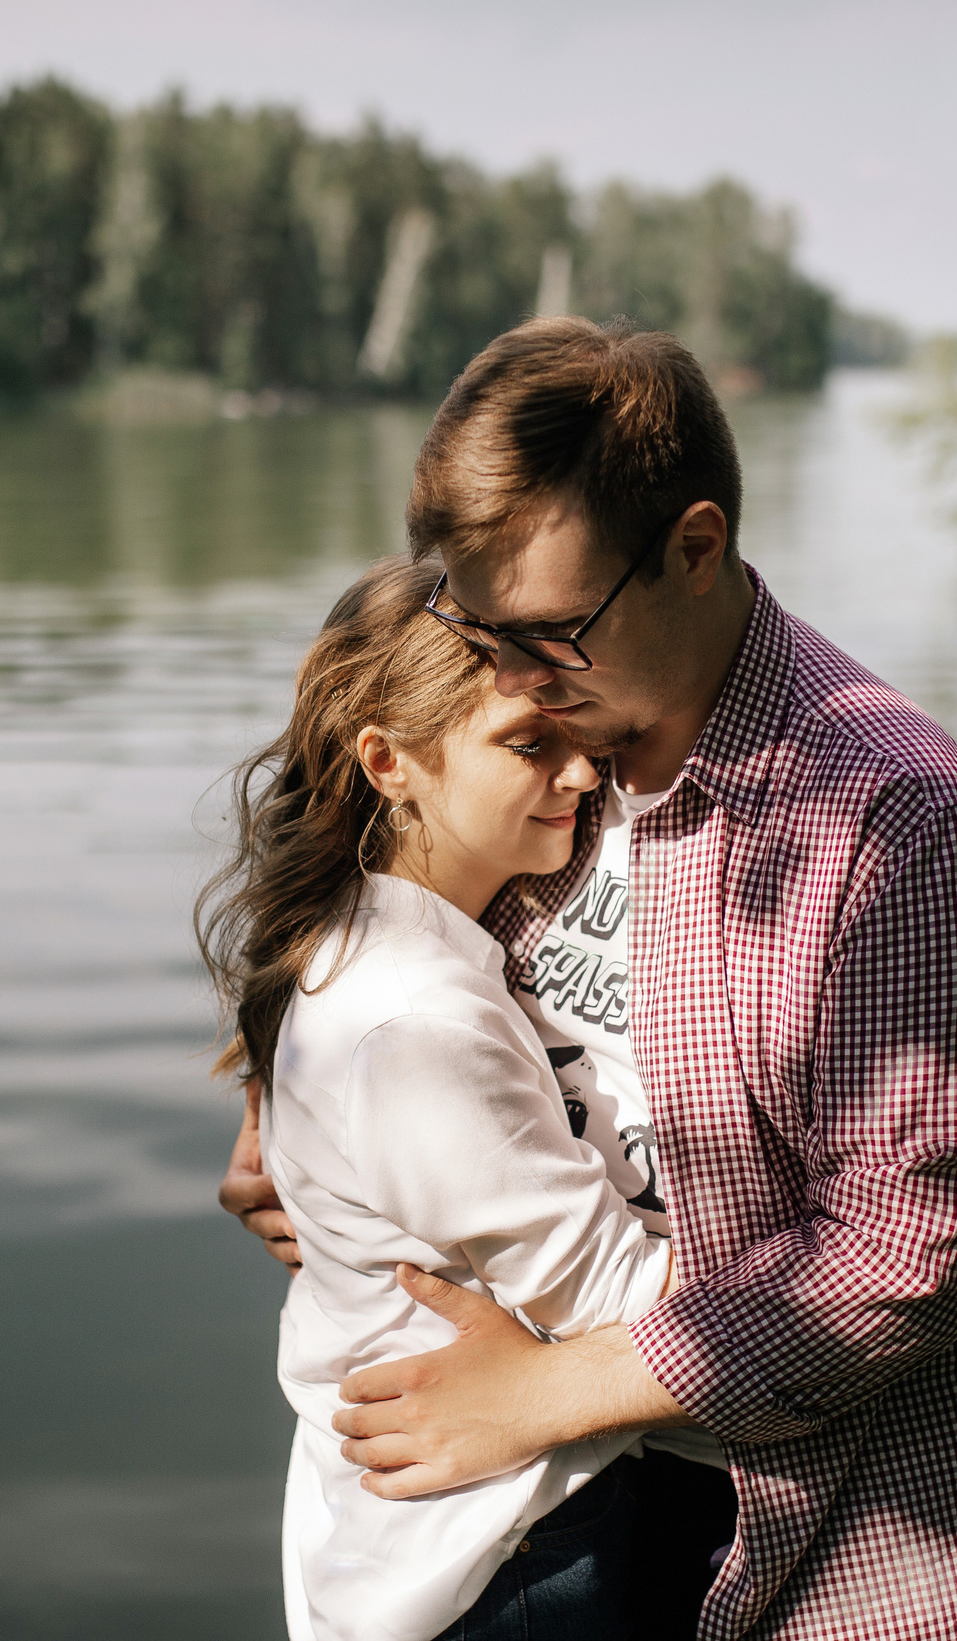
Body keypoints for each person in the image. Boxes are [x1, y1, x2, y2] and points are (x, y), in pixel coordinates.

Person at [220, 318, 957, 1640]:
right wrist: (293, 1104)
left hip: (836, 1555)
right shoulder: (560, 739)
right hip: (574, 1520)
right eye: (475, 626)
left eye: (546, 632)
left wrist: (540, 1395)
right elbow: (386, 889)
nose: (509, 679)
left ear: (696, 548)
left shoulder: (900, 823)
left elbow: (904, 1257)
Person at [197, 557, 679, 1641]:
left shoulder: (358, 948)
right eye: (529, 744)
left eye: (578, 736)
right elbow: (607, 1290)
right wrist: (833, 1297)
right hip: (506, 1545)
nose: (581, 776)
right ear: (390, 764)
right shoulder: (411, 1023)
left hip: (422, 1527)